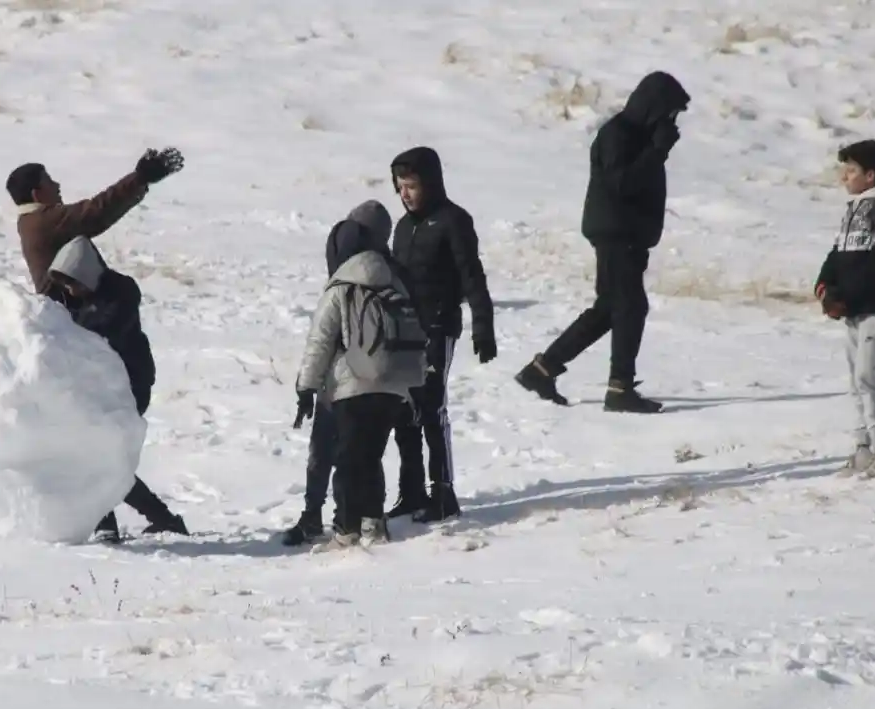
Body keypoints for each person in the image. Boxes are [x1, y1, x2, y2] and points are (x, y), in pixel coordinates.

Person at [515, 71, 691, 414]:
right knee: (629, 307)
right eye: (668, 113)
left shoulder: (637, 135)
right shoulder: (618, 134)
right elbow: (621, 184)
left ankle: (542, 370)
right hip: (616, 235)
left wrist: (656, 149)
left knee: (610, 310)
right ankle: (619, 388)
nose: (671, 122)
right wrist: (657, 151)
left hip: (626, 235)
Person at [294, 199, 424, 548]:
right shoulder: (394, 280)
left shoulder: (341, 287)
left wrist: (305, 387)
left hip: (352, 384)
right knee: (370, 456)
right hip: (395, 386)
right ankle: (373, 523)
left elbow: (320, 341)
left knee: (349, 460)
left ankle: (348, 528)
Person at [44, 235, 189, 541]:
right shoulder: (66, 295)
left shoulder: (121, 291)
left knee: (101, 455)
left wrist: (65, 330)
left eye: (73, 283)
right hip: (89, 386)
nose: (70, 291)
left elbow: (101, 331)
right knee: (98, 455)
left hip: (127, 384)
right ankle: (155, 518)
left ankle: (109, 523)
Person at [387, 146, 497, 524]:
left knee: (432, 408)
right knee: (404, 410)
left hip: (438, 327)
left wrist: (483, 325)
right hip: (404, 332)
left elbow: (472, 276)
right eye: (400, 187)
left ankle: (443, 493)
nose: (405, 194)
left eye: (412, 186)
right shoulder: (402, 228)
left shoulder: (453, 221)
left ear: (430, 184)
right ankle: (412, 490)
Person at [5, 148, 185, 294]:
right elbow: (96, 212)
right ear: (36, 194)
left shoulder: (30, 221)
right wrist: (139, 178)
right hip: (70, 310)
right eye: (49, 181)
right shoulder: (44, 221)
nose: (57, 186)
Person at [814, 140, 875, 477]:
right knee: (856, 380)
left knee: (870, 378)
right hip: (853, 311)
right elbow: (838, 255)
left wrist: (848, 296)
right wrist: (825, 287)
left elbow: (873, 265)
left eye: (851, 171)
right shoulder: (853, 208)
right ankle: (863, 446)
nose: (844, 177)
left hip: (872, 310)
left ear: (871, 175)